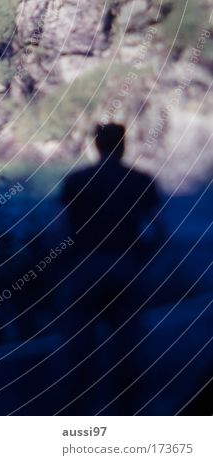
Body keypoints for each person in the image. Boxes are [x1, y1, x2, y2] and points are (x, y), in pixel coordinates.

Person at [58, 123, 163, 414]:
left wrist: (65, 265)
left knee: (79, 349)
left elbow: (60, 231)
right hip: (125, 266)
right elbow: (158, 229)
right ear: (123, 146)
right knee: (128, 347)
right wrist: (141, 257)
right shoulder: (140, 180)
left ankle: (76, 419)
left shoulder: (77, 180)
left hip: (86, 267)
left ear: (96, 145)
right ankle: (126, 415)